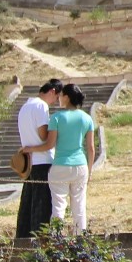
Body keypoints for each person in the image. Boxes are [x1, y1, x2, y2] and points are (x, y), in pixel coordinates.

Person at [23, 82, 97, 232]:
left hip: (60, 166)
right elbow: (90, 148)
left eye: (61, 95)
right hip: (81, 166)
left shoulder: (56, 118)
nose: (59, 98)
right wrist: (89, 171)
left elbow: (49, 145)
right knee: (79, 207)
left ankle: (57, 241)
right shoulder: (87, 118)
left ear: (67, 98)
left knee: (58, 207)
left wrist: (30, 149)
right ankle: (80, 241)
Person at [14, 79, 63, 237]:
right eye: (56, 98)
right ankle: (39, 241)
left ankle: (24, 239)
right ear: (53, 92)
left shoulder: (25, 107)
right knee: (42, 207)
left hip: (30, 163)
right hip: (43, 162)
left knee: (28, 206)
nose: (55, 102)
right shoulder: (41, 106)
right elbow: (43, 136)